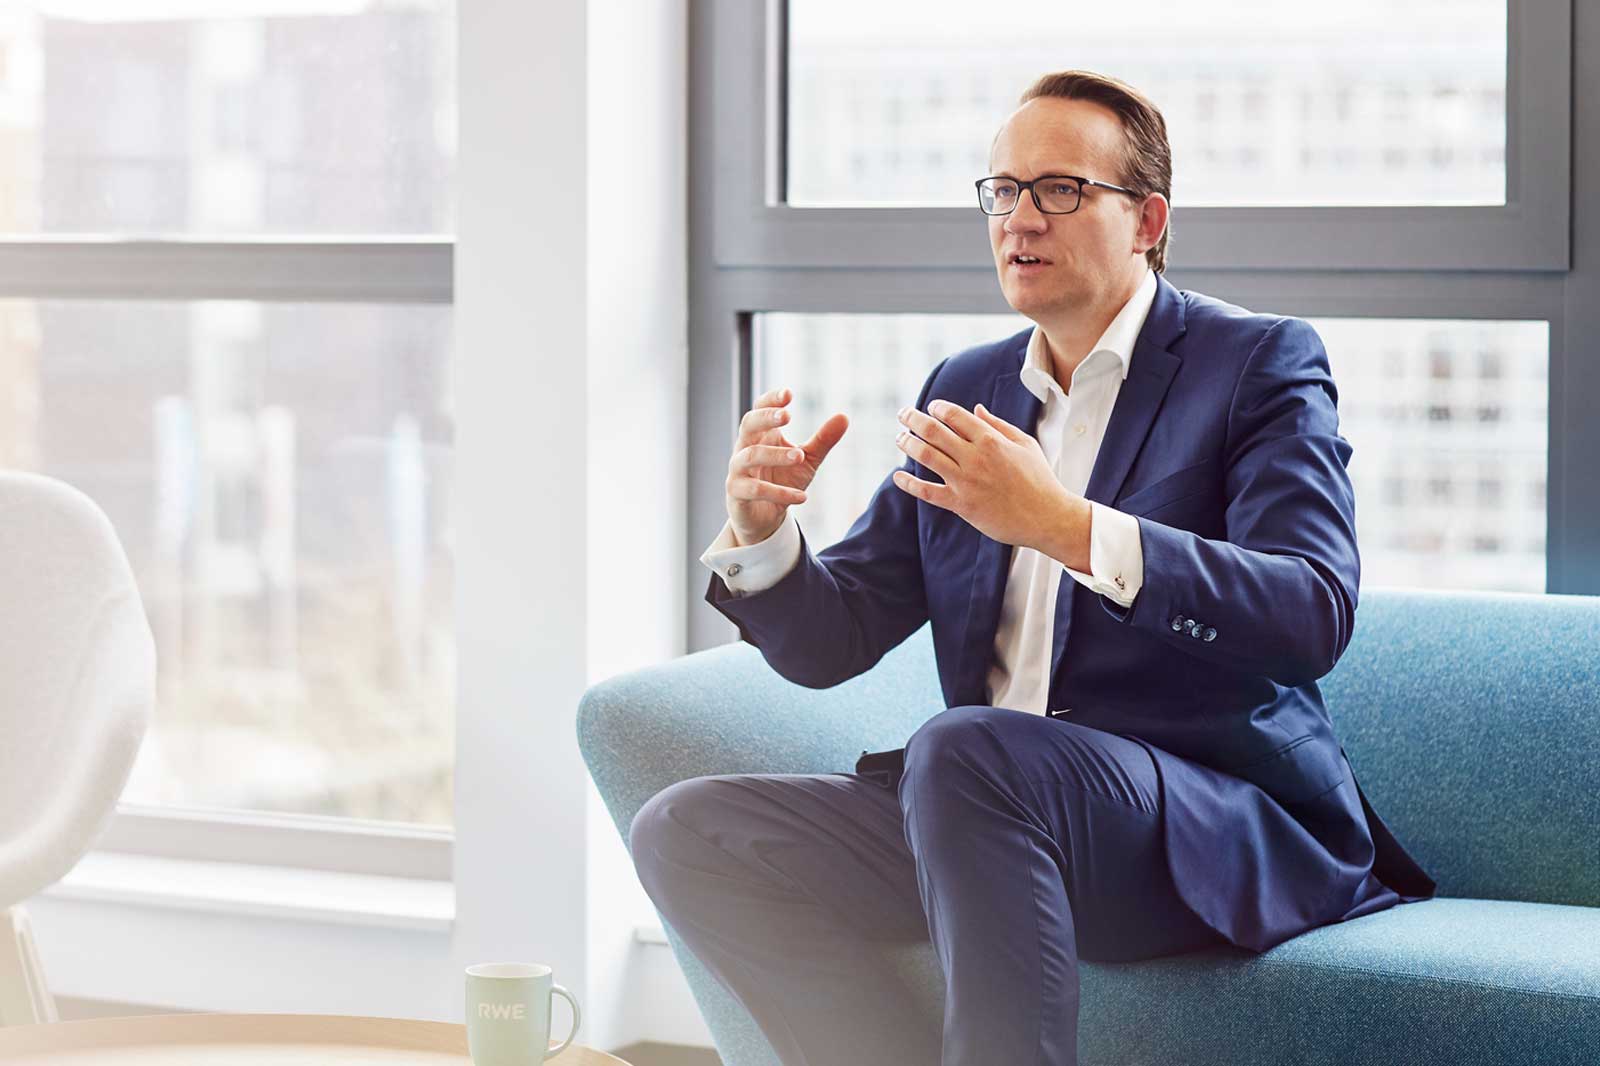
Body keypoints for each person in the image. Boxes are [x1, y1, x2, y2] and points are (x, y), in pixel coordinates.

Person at [629, 69, 1436, 1066]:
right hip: (982, 810)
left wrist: (1065, 526)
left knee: (966, 750)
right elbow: (833, 638)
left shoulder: (1256, 364)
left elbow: (1309, 609)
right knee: (687, 829)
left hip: (1193, 821)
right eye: (1002, 190)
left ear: (1146, 219)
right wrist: (762, 533)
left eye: (1059, 189)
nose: (1020, 217)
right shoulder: (969, 389)